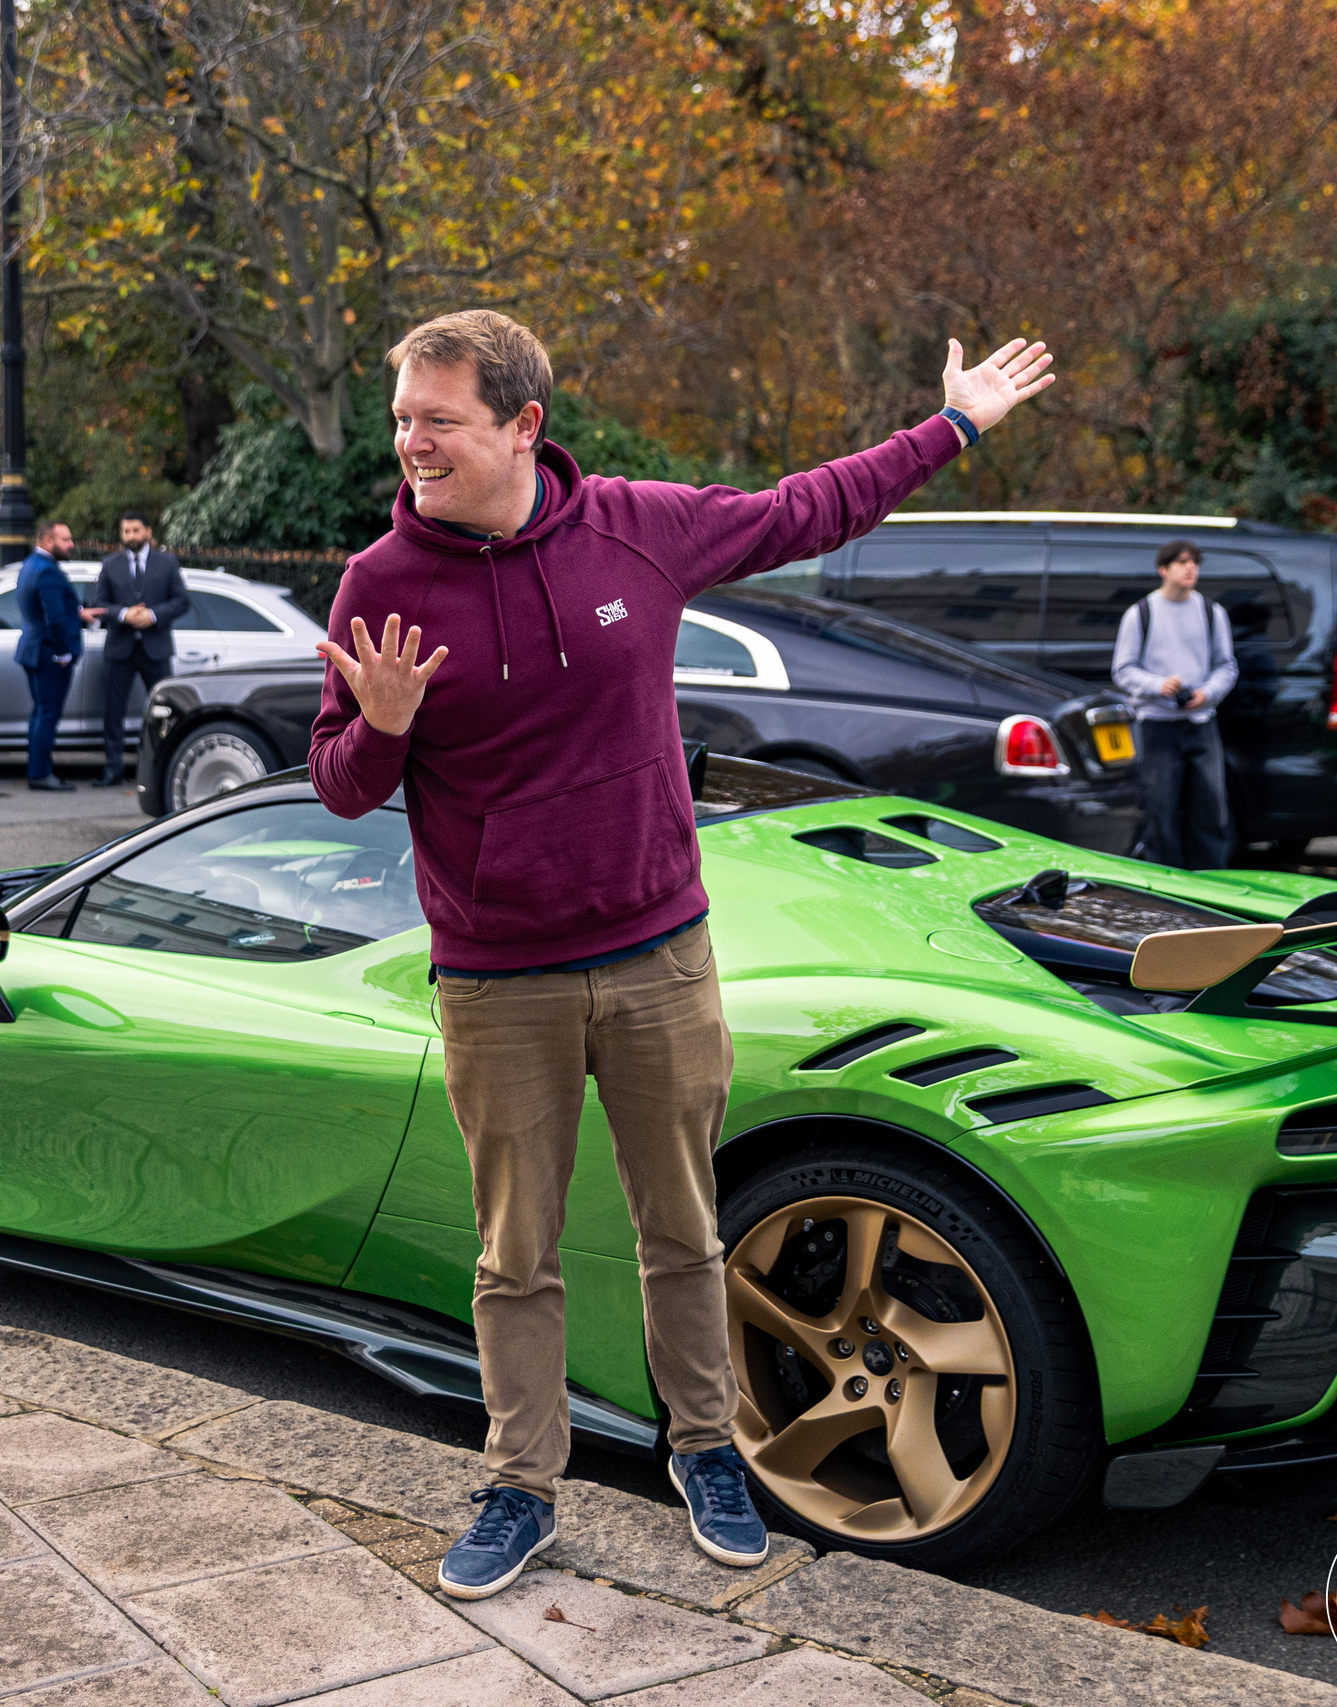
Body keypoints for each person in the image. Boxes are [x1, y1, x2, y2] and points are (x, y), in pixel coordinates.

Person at [308, 309, 1053, 1599]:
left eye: (438, 419)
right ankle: (519, 1483)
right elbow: (337, 784)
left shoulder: (637, 529)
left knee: (682, 1229)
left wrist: (956, 423)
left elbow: (812, 508)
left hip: (658, 953)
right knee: (514, 1254)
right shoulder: (382, 581)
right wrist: (377, 730)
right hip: (496, 979)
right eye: (402, 419)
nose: (409, 445)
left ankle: (705, 1449)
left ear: (523, 425)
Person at [1110, 540, 1239, 869]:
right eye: (1181, 562)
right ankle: (1167, 880)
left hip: (1201, 722)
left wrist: (1206, 693)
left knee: (1211, 807)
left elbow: (1227, 666)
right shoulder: (1141, 613)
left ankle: (1212, 878)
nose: (1190, 568)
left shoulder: (1212, 612)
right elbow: (1122, 670)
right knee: (1160, 808)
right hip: (1156, 723)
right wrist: (1158, 685)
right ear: (1163, 570)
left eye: (1194, 562)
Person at [92, 510, 188, 787]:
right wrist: (124, 614)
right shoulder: (110, 564)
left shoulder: (167, 563)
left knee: (165, 712)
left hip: (155, 649)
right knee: (113, 712)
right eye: (125, 531)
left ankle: (163, 770)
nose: (130, 536)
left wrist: (153, 615)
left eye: (135, 530)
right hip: (119, 650)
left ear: (147, 531)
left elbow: (182, 601)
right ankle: (113, 769)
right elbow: (99, 604)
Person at [12, 519, 92, 791]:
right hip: (48, 653)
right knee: (47, 714)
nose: (71, 545)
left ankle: (38, 770)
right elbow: (54, 618)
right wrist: (63, 653)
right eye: (65, 540)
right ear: (48, 541)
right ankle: (40, 773)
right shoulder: (48, 571)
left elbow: (46, 609)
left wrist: (78, 614)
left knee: (40, 713)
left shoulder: (31, 565)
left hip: (35, 648)